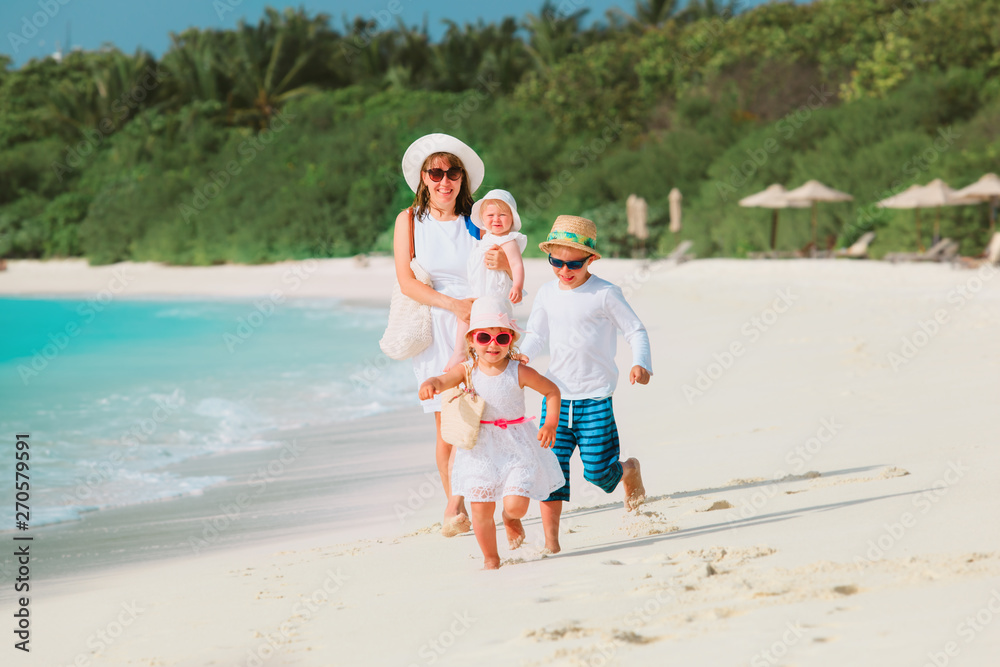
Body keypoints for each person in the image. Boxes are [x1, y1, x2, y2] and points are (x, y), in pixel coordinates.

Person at [393, 133, 511, 538]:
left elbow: (501, 276)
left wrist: (502, 263)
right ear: (424, 178)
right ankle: (454, 505)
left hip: (477, 326)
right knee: (448, 420)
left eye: (453, 172)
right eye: (437, 172)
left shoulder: (477, 222)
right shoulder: (408, 221)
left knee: (484, 415)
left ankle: (482, 496)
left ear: (463, 178)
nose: (445, 181)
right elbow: (407, 282)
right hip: (435, 323)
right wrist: (451, 305)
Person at [518, 215, 652, 555]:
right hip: (556, 398)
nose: (564, 270)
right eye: (556, 262)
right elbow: (536, 335)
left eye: (573, 263)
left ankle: (628, 470)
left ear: (590, 259)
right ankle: (551, 542)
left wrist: (641, 363)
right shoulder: (547, 294)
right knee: (552, 472)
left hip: (594, 398)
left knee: (598, 475)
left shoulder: (605, 293)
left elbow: (635, 330)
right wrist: (522, 357)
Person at [418, 296, 564, 569]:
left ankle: (510, 519)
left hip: (516, 444)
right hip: (479, 449)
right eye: (484, 337)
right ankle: (491, 558)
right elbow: (443, 379)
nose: (493, 345)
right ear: (471, 340)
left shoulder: (518, 371)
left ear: (510, 339)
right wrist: (431, 382)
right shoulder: (467, 370)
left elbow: (551, 391)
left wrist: (550, 424)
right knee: (481, 509)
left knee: (517, 505)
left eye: (501, 339)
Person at [445, 189, 527, 371]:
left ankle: (496, 360)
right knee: (465, 318)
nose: (496, 219)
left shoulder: (509, 240)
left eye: (502, 215)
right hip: (480, 291)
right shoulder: (485, 239)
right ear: (482, 218)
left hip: (493, 292)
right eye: (490, 215)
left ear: (512, 218)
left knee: (492, 329)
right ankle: (461, 352)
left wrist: (517, 286)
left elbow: (516, 265)